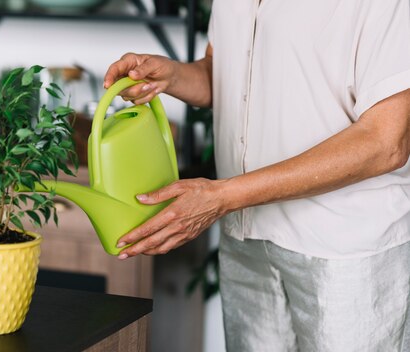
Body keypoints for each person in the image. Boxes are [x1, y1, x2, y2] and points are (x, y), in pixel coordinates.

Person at [104, 0, 410, 351]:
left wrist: (223, 197)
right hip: (247, 240)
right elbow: (227, 75)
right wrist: (173, 75)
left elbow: (386, 142)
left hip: (344, 249)